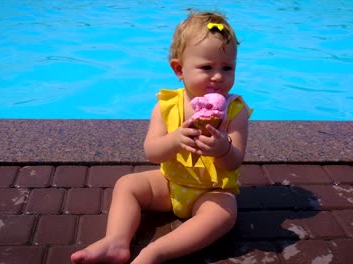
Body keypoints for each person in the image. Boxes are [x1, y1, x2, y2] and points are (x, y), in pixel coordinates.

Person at [71, 10, 252, 264]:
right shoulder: (167, 106)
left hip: (211, 190)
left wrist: (223, 149)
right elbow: (152, 152)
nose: (219, 76)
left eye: (227, 68)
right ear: (179, 69)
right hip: (170, 183)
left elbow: (235, 162)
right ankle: (116, 241)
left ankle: (155, 252)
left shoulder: (235, 110)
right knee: (126, 185)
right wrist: (175, 140)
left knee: (224, 213)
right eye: (207, 67)